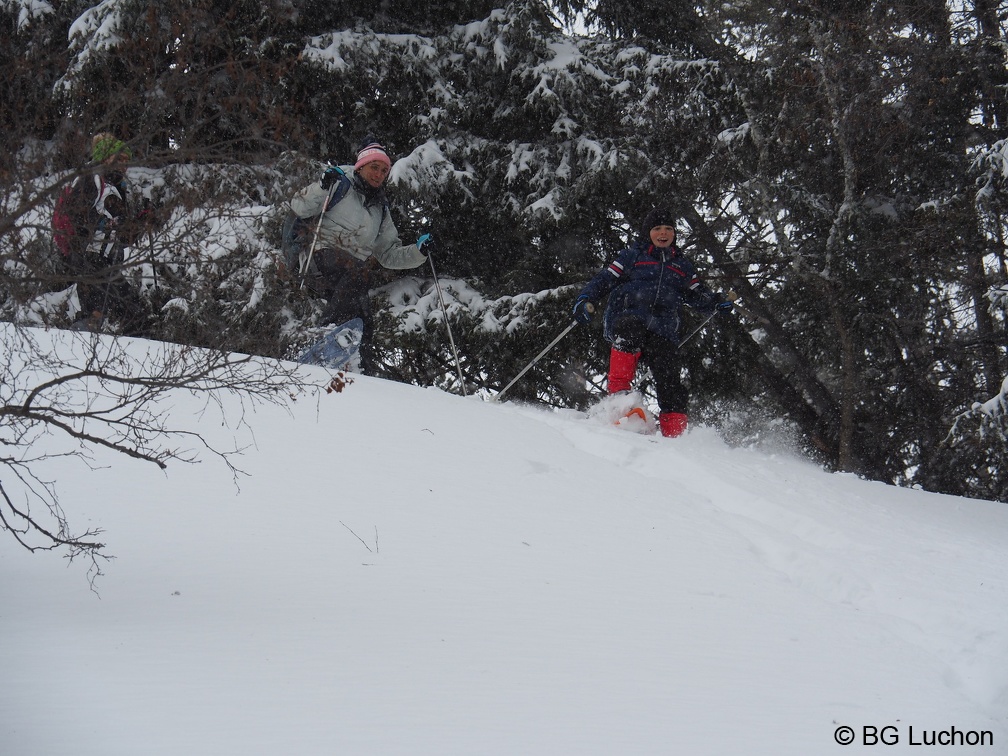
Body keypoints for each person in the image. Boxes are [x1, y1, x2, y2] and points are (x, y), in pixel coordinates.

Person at [572, 207, 733, 437]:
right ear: (648, 232)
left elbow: (698, 294)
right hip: (629, 318)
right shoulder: (632, 257)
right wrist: (585, 298)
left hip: (663, 328)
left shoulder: (681, 266)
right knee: (631, 329)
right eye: (657, 229)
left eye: (668, 229)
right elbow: (605, 279)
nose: (663, 233)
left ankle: (675, 434)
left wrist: (716, 303)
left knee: (670, 378)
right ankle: (619, 403)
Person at [284, 138, 436, 372]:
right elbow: (299, 205)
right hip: (316, 257)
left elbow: (388, 254)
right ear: (361, 166)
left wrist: (418, 252)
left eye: (384, 170)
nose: (379, 174)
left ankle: (359, 369)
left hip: (347, 275)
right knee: (358, 271)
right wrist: (322, 186)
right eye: (374, 167)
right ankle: (325, 333)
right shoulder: (338, 182)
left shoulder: (381, 209)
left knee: (365, 320)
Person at [53, 132, 151, 334]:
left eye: (127, 160)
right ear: (105, 158)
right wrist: (106, 224)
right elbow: (78, 215)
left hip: (105, 262)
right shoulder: (92, 180)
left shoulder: (116, 187)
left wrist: (142, 221)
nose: (124, 165)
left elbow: (122, 237)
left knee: (124, 313)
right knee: (122, 314)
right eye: (120, 159)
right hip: (89, 259)